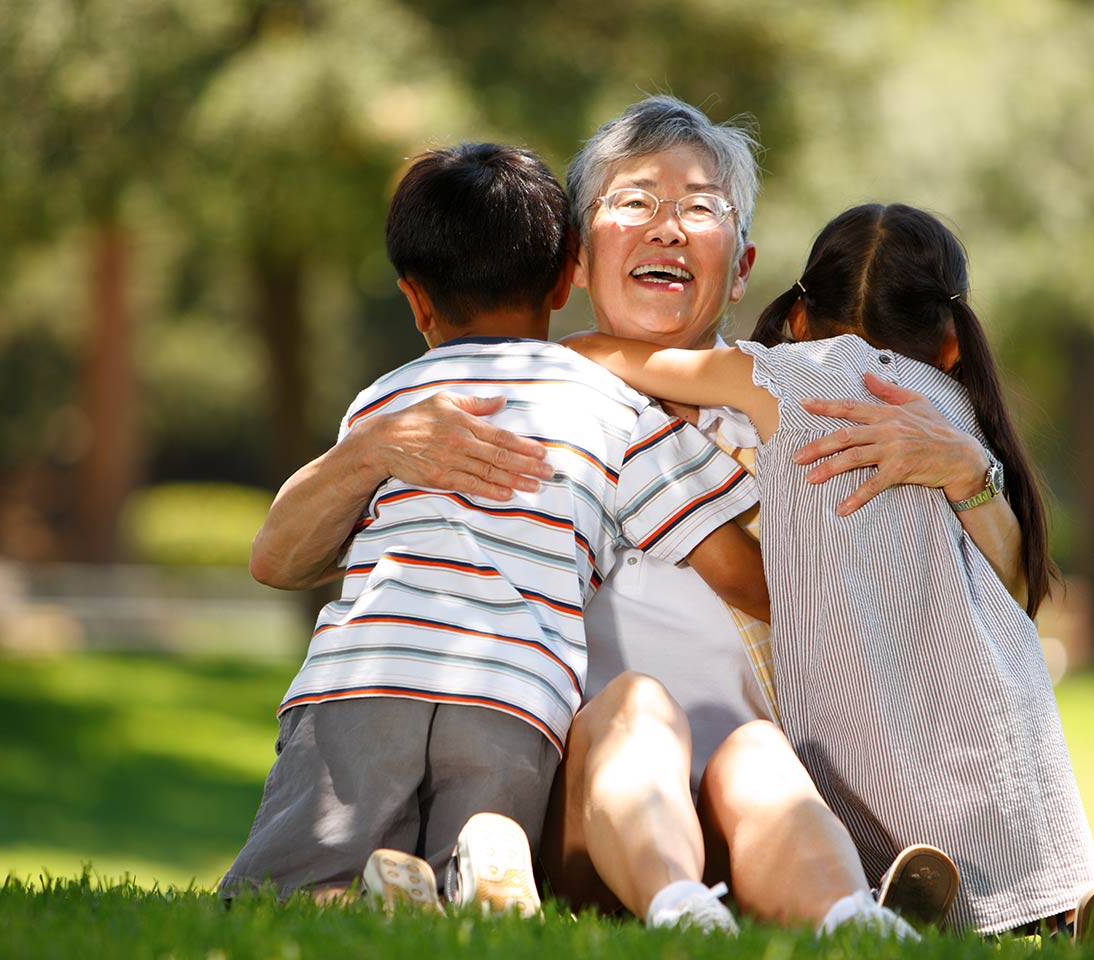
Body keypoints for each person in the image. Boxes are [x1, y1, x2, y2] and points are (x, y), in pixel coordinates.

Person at [248, 97, 1012, 936]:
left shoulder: (796, 415)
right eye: (636, 201)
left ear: (744, 263)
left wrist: (973, 478)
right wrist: (373, 451)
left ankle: (856, 913)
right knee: (634, 705)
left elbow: (975, 611)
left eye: (699, 207)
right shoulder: (509, 403)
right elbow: (295, 554)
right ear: (577, 257)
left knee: (756, 754)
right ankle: (684, 900)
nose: (668, 228)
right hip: (563, 803)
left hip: (756, 808)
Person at [564, 201, 1094, 938]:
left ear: (801, 319)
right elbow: (1015, 592)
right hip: (991, 693)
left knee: (860, 775)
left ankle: (885, 888)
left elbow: (623, 360)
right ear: (952, 340)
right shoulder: (957, 409)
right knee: (994, 788)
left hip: (866, 682)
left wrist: (564, 348)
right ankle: (1057, 902)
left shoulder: (785, 377)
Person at [219, 142, 770, 910]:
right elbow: (740, 573)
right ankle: (484, 860)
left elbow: (286, 554)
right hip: (513, 694)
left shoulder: (388, 399)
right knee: (469, 879)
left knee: (288, 885)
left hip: (365, 674)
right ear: (562, 277)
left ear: (416, 301)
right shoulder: (611, 408)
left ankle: (338, 896)